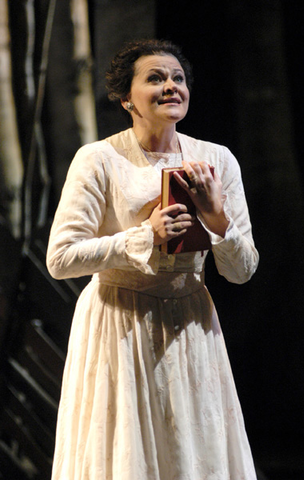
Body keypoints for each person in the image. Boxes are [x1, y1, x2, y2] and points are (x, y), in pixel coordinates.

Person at [47, 38, 259, 480]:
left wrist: (218, 218)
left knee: (191, 453)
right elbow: (61, 258)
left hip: (191, 324)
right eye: (155, 78)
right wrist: (146, 235)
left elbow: (241, 271)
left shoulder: (216, 160)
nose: (170, 86)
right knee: (126, 457)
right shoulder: (99, 159)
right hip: (119, 324)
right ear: (127, 98)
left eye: (177, 78)